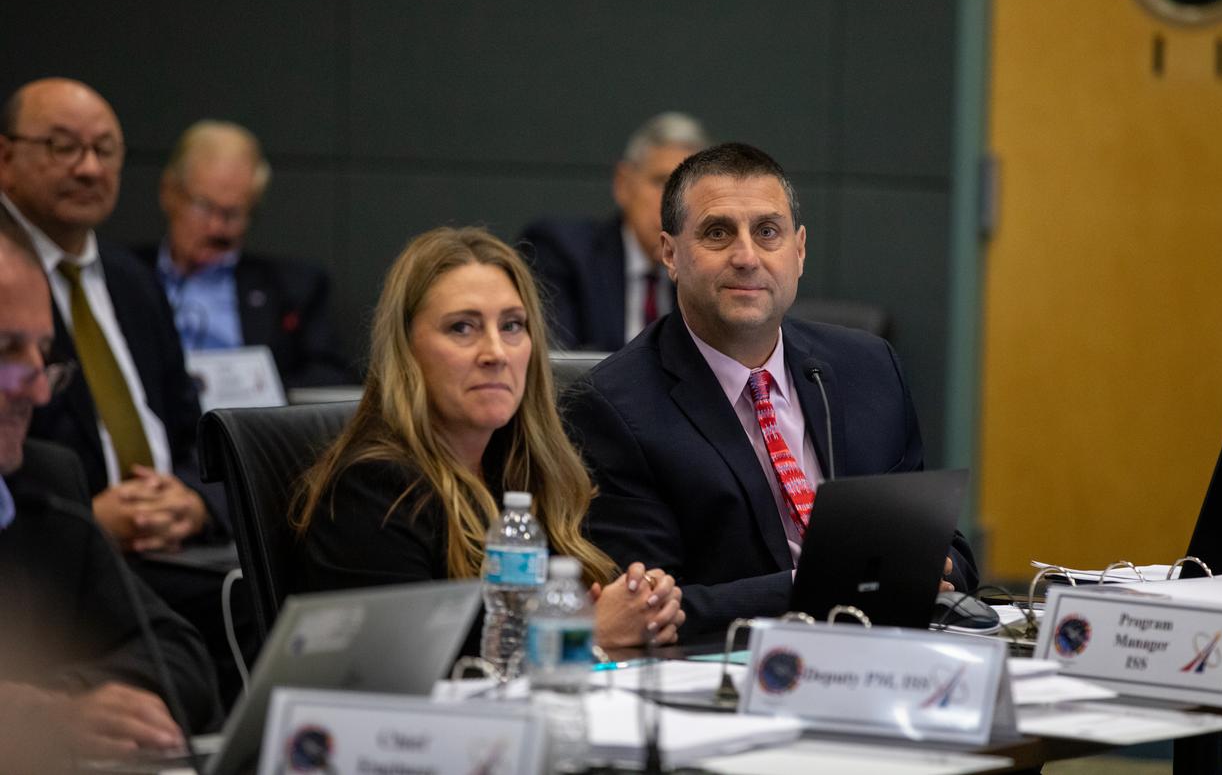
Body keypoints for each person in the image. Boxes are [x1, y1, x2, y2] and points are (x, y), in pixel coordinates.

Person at [562, 143, 978, 636]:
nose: (746, 257)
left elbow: (949, 552)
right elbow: (653, 609)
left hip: (890, 657)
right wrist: (828, 583)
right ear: (670, 253)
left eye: (767, 232)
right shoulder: (611, 408)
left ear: (799, 251)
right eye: (718, 233)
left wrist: (939, 565)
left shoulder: (870, 368)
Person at [291, 227, 685, 651]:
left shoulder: (529, 472)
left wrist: (640, 602)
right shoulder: (375, 489)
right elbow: (401, 662)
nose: (495, 352)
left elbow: (586, 603)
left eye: (513, 326)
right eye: (462, 328)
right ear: (406, 349)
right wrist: (583, 631)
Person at [0, 230, 219, 765]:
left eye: (44, 353)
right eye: (7, 350)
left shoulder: (44, 488)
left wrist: (65, 703)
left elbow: (183, 660)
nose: (40, 389)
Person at [0, 77, 223, 548]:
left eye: (106, 150)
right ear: (5, 159)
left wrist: (192, 501)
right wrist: (84, 521)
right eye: (62, 147)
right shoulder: (8, 285)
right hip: (48, 558)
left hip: (170, 547)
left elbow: (193, 432)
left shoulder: (133, 279)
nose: (89, 169)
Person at [141, 120, 353, 389]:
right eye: (204, 207)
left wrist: (259, 395)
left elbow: (331, 377)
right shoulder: (121, 275)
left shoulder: (293, 287)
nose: (216, 227)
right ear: (169, 193)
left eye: (233, 214)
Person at [519, 112, 711, 351]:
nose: (673, 201)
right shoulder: (562, 251)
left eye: (686, 188)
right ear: (623, 184)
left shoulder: (704, 272)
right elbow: (559, 367)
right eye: (660, 182)